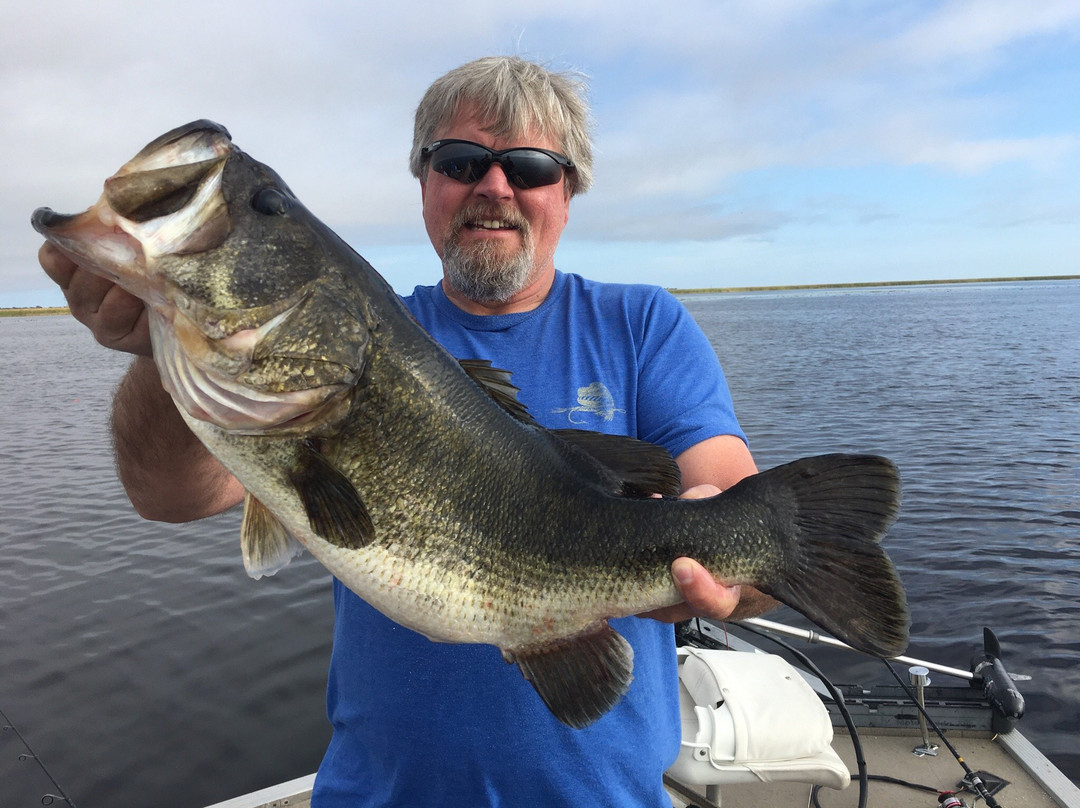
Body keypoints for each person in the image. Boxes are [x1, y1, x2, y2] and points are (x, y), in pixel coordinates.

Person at [40, 56, 776, 807]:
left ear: (569, 190)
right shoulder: (371, 339)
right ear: (425, 181)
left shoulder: (642, 325)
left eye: (529, 167)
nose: (495, 187)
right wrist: (158, 348)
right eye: (461, 162)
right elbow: (168, 496)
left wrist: (738, 561)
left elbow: (732, 492)